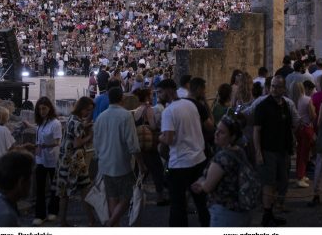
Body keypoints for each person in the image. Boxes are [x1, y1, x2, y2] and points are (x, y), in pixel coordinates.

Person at [158, 78, 209, 227]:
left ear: (168, 91)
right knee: (202, 203)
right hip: (199, 159)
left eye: (160, 92)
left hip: (180, 164)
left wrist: (159, 137)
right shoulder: (191, 104)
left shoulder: (168, 111)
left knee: (178, 206)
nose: (158, 95)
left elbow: (168, 138)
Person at [93, 87, 146, 226]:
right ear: (122, 98)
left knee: (112, 196)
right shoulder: (126, 116)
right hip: (121, 164)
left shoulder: (100, 117)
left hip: (105, 164)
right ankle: (111, 223)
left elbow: (96, 143)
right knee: (128, 195)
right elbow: (133, 143)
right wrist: (141, 164)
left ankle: (113, 226)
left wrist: (99, 158)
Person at [191, 116, 251, 227]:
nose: (216, 134)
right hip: (242, 209)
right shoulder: (240, 151)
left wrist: (201, 183)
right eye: (217, 130)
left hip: (225, 212)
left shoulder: (222, 158)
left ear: (232, 137)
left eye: (222, 132)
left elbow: (208, 186)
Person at [253, 75, 296, 227]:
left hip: (282, 150)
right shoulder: (263, 106)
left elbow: (288, 126)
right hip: (268, 150)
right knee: (268, 183)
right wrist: (258, 152)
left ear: (283, 88)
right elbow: (257, 130)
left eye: (278, 86)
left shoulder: (284, 104)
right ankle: (267, 215)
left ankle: (272, 212)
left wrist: (291, 146)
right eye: (272, 86)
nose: (274, 89)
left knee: (281, 181)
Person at [55, 97, 95, 226]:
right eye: (87, 110)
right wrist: (89, 136)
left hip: (64, 159)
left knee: (64, 193)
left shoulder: (72, 118)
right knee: (85, 190)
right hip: (75, 161)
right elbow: (77, 143)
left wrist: (84, 126)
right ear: (82, 108)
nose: (88, 113)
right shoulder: (77, 122)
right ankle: (91, 221)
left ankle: (62, 221)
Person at [26, 97, 62, 226]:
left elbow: (58, 142)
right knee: (40, 188)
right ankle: (39, 214)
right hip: (40, 159)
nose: (42, 111)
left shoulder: (55, 123)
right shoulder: (42, 123)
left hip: (52, 159)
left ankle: (53, 210)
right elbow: (38, 131)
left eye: (44, 108)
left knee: (54, 187)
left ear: (49, 108)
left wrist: (43, 146)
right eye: (40, 109)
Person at [292, 81, 316, 188]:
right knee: (305, 153)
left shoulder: (292, 101)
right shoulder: (307, 99)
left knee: (299, 152)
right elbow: (312, 115)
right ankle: (300, 176)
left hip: (297, 129)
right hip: (306, 127)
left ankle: (300, 173)